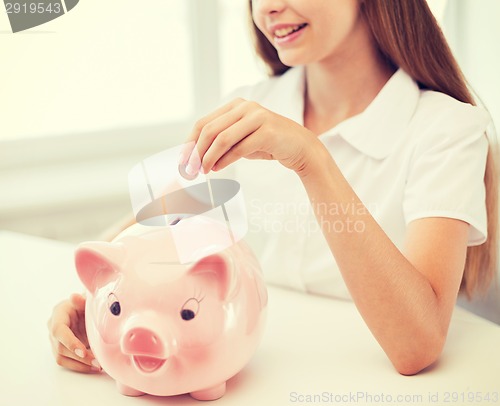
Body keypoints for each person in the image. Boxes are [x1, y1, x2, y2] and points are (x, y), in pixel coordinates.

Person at [48, 0, 498, 376]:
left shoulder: (448, 128)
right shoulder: (247, 109)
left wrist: (312, 159)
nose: (268, 7)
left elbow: (415, 346)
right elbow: (147, 233)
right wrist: (90, 302)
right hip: (258, 371)